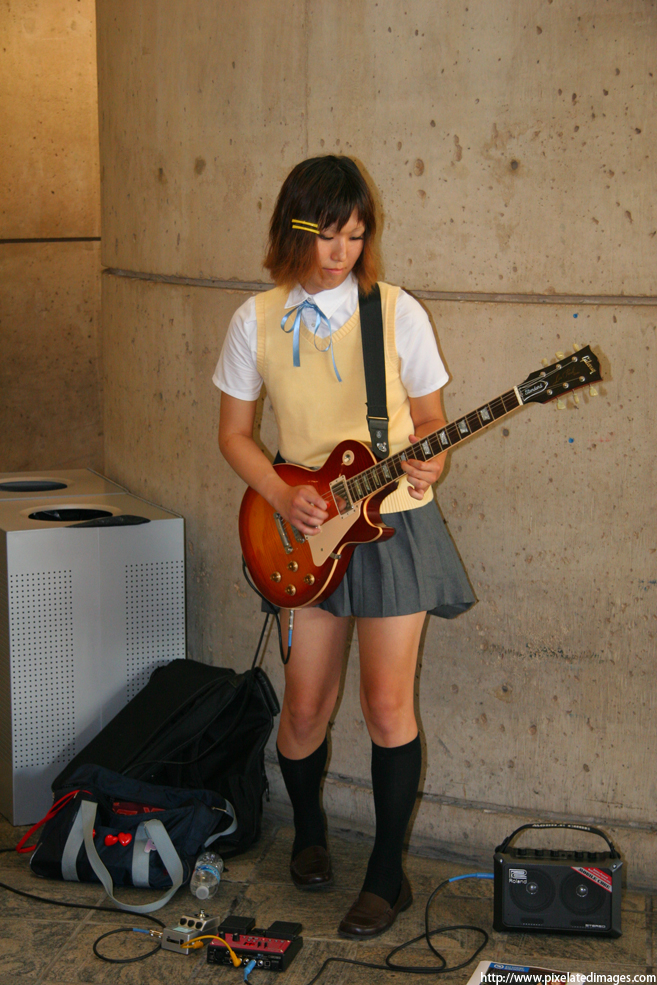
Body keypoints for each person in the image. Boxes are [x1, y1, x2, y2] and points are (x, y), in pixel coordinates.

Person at [214, 155, 474, 939]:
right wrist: (277, 491)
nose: (341, 252)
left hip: (393, 523)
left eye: (355, 236)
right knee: (304, 709)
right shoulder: (254, 319)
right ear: (292, 231)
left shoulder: (395, 310)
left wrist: (431, 456)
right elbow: (234, 435)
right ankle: (309, 833)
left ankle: (386, 875)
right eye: (327, 235)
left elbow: (430, 419)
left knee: (387, 705)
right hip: (303, 530)